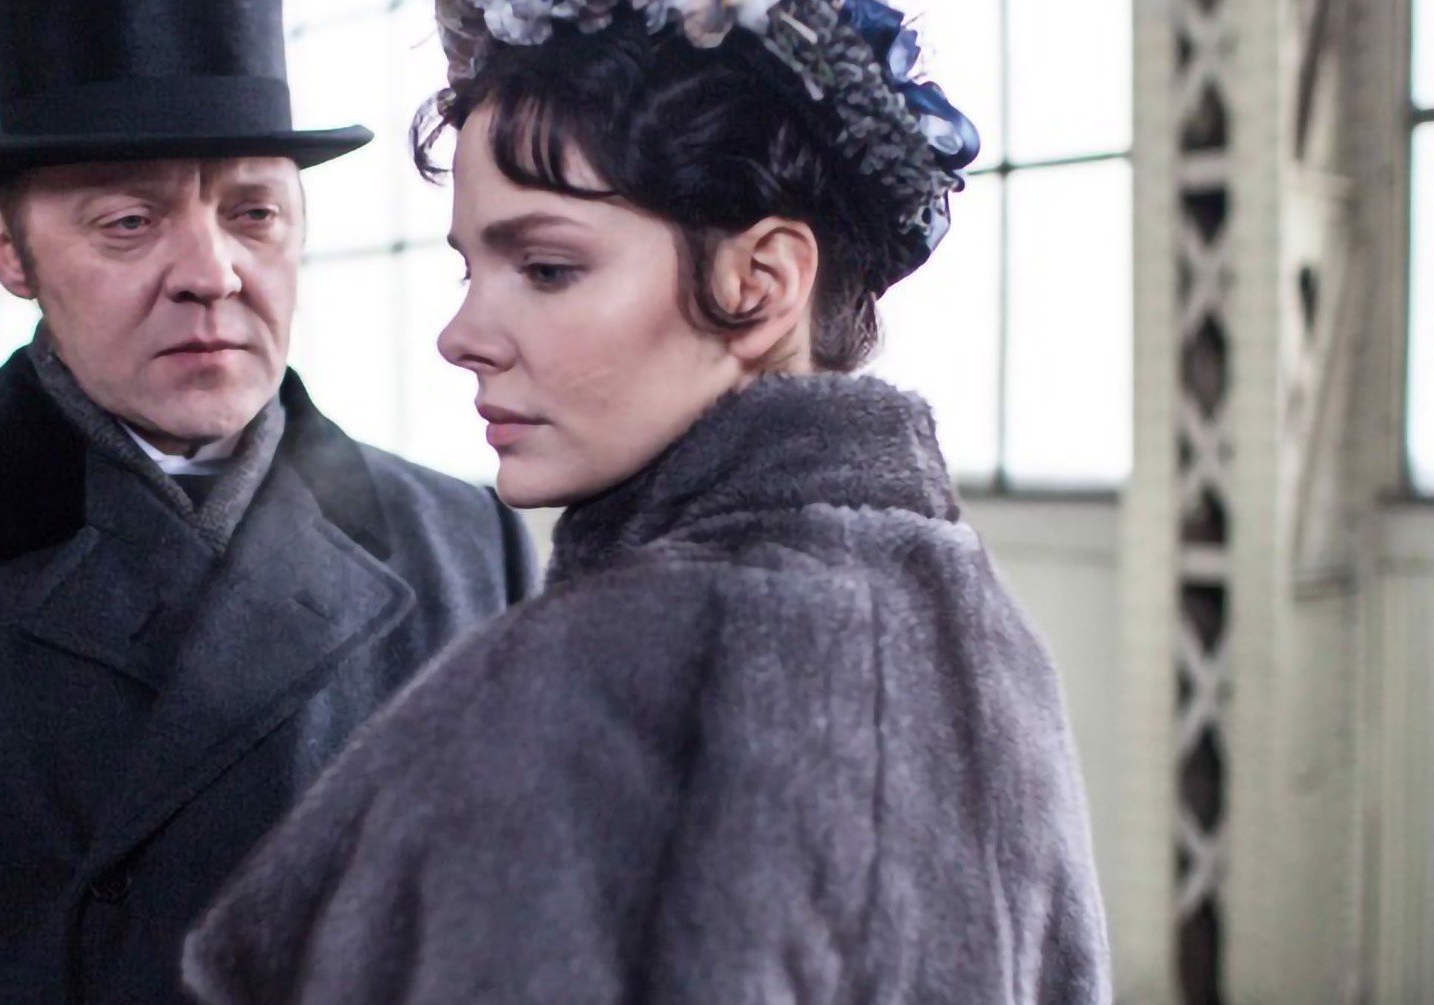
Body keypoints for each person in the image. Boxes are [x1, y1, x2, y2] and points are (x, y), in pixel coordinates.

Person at [186, 1, 1111, 1001]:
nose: (460, 336)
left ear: (759, 282)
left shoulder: (568, 692)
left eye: (547, 268)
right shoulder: (987, 646)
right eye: (468, 267)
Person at [0, 2, 534, 1002]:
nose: (212, 274)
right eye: (129, 222)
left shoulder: (469, 544)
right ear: (9, 248)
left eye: (253, 214)